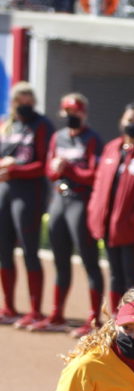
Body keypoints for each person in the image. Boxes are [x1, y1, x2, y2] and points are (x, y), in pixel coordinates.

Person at [30, 93, 104, 334]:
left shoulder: (92, 139)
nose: (71, 117)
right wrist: (56, 170)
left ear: (84, 113)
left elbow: (94, 175)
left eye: (76, 112)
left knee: (88, 259)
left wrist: (69, 168)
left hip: (80, 201)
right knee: (60, 259)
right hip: (59, 199)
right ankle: (56, 313)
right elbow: (49, 170)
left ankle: (94, 318)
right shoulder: (58, 137)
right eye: (68, 113)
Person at [86, 103, 134, 330]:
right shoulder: (112, 148)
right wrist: (94, 212)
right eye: (129, 120)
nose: (133, 124)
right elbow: (99, 184)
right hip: (110, 225)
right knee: (115, 275)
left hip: (132, 227)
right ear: (121, 121)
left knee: (131, 276)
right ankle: (117, 320)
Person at [0, 81, 53, 327]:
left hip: (28, 193)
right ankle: (9, 307)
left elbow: (44, 164)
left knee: (30, 250)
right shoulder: (6, 124)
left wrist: (15, 169)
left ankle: (35, 310)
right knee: (3, 249)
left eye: (28, 103)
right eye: (19, 103)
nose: (24, 107)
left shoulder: (42, 125)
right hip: (4, 190)